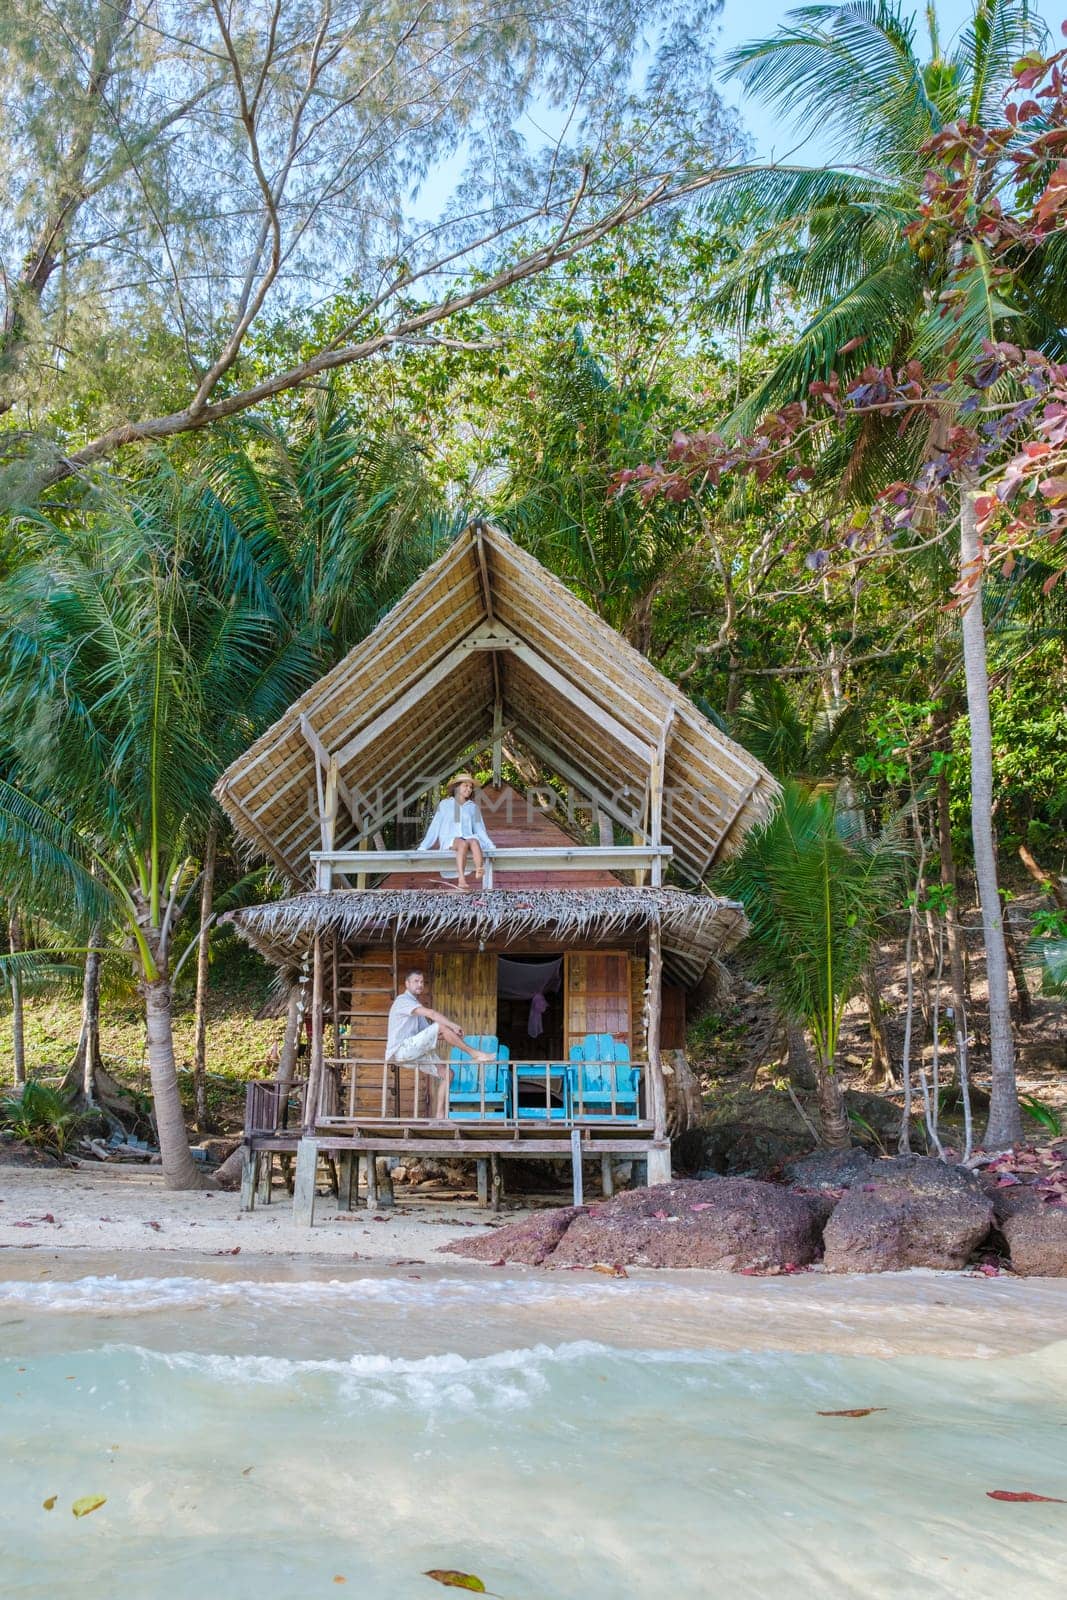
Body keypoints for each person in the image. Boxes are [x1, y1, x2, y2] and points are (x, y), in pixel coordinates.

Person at [385, 969, 495, 1121]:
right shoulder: (402, 1000)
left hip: (415, 1051)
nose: (420, 984)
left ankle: (439, 1117)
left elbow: (430, 1033)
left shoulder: (415, 1005)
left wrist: (450, 1034)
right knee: (441, 1025)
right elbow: (432, 1014)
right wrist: (453, 1025)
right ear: (407, 983)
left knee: (448, 1074)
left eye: (422, 982)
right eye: (416, 981)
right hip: (402, 1050)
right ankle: (475, 1054)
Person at [419, 772, 495, 892]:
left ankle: (479, 868)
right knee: (462, 843)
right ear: (457, 787)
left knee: (474, 841)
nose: (469, 789)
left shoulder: (473, 807)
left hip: (468, 838)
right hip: (450, 841)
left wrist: (491, 846)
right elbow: (434, 827)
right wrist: (423, 847)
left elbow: (480, 830)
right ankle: (461, 879)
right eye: (465, 785)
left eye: (470, 787)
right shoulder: (445, 805)